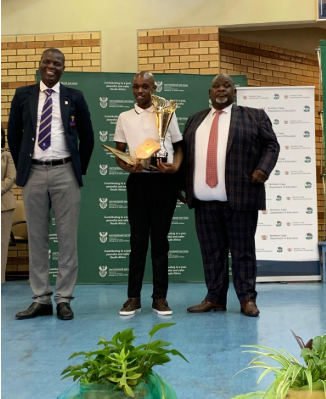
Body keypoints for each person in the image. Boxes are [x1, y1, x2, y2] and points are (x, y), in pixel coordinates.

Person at [181, 74, 279, 317]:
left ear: (235, 92)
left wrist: (263, 169)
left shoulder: (254, 116)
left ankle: (247, 299)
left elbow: (271, 145)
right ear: (210, 92)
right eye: (216, 86)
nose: (221, 89)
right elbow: (184, 155)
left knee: (243, 251)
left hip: (241, 197)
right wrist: (180, 185)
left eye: (227, 85)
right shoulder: (195, 120)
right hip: (204, 201)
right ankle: (215, 298)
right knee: (211, 252)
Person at [8, 48, 94, 320]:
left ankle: (64, 299)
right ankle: (41, 298)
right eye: (47, 62)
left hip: (65, 172)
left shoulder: (75, 97)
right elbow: (13, 134)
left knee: (67, 240)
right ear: (40, 65)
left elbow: (87, 137)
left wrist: (78, 168)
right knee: (37, 238)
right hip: (33, 172)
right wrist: (24, 165)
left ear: (63, 68)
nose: (51, 67)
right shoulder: (23, 95)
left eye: (57, 63)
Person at [114, 71, 183, 316]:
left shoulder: (166, 112)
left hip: (164, 183)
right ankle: (133, 298)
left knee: (160, 243)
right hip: (138, 182)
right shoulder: (124, 117)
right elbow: (119, 154)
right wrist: (128, 165)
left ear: (154, 87)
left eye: (145, 86)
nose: (140, 90)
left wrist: (175, 167)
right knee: (138, 242)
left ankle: (160, 298)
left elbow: (178, 146)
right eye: (135, 86)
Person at [1, 127, 16, 283]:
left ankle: (0, 280)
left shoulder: (6, 155)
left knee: (1, 244)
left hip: (3, 205)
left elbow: (11, 178)